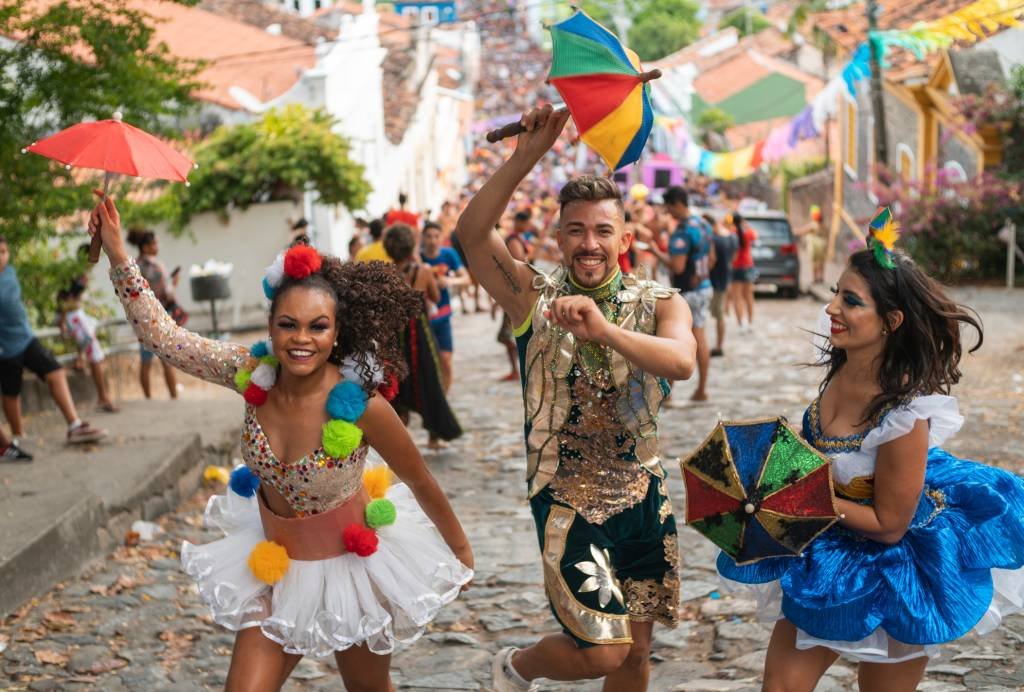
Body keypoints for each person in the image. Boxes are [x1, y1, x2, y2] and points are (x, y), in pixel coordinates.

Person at [89, 193, 473, 691]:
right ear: (270, 326)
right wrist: (121, 257)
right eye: (288, 324)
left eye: (318, 327)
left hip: (349, 567)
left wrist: (461, 556)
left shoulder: (362, 405)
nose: (301, 339)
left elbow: (420, 478)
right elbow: (165, 338)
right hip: (275, 561)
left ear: (336, 334)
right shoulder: (249, 372)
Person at [717, 214, 1024, 692]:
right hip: (827, 548)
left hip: (898, 568)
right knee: (780, 686)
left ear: (891, 321)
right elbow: (822, 452)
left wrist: (807, 500)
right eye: (837, 292)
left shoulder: (904, 415)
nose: (832, 307)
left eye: (850, 300)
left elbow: (889, 525)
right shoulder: (841, 367)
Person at [456, 105, 697, 692]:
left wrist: (604, 329)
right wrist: (527, 156)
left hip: (644, 495)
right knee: (602, 653)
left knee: (637, 655)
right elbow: (470, 235)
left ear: (626, 238)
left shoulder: (663, 301)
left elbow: (682, 363)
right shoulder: (531, 298)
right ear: (559, 237)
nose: (589, 244)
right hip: (566, 496)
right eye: (576, 230)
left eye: (602, 230)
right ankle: (516, 667)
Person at [0, 235, 106, 449]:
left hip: (27, 338)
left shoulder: (10, 273)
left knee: (56, 372)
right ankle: (19, 436)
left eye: (3, 252)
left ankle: (75, 425)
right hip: (6, 348)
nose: (1, 257)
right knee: (11, 392)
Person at [383, 224, 463, 449]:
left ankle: (399, 443)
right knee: (430, 382)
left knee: (397, 386)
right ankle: (434, 438)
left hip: (394, 335)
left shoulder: (386, 273)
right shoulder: (423, 272)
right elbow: (436, 297)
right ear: (411, 246)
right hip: (420, 335)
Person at [664, 186, 715, 402]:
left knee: (675, 339)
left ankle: (668, 393)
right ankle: (701, 389)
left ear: (677, 203)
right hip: (705, 287)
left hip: (688, 293)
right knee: (701, 338)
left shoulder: (682, 232)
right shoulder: (703, 224)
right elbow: (712, 258)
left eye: (669, 207)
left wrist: (655, 251)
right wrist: (701, 275)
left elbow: (677, 267)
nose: (668, 213)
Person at [56, 250, 118, 413]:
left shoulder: (76, 274)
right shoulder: (76, 276)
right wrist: (62, 321)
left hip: (76, 316)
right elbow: (66, 299)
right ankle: (103, 397)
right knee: (96, 357)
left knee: (95, 356)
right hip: (74, 317)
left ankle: (80, 361)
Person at [127, 229, 186, 400]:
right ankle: (174, 397)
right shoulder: (154, 266)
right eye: (154, 243)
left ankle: (148, 399)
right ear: (145, 247)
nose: (157, 246)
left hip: (142, 318)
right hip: (158, 316)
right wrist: (174, 284)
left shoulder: (135, 265)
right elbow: (165, 294)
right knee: (166, 360)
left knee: (145, 362)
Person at [419, 221, 468, 393]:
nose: (432, 240)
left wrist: (449, 280)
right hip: (423, 319)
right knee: (429, 364)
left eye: (436, 236)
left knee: (446, 360)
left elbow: (466, 279)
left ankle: (444, 400)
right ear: (422, 238)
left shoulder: (449, 254)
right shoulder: (418, 258)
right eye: (428, 236)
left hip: (444, 315)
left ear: (441, 238)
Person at [707, 213, 738, 357]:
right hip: (725, 278)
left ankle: (719, 347)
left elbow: (711, 260)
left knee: (718, 315)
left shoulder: (713, 239)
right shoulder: (732, 237)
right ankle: (719, 344)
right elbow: (734, 257)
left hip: (715, 280)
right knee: (719, 313)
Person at [727, 211, 757, 332]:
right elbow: (756, 235)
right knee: (749, 296)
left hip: (736, 267)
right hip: (748, 266)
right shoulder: (748, 233)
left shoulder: (732, 234)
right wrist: (746, 225)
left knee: (737, 297)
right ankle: (750, 323)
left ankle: (741, 324)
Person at [796, 204, 827, 284]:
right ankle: (821, 278)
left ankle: (815, 278)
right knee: (821, 263)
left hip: (814, 247)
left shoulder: (813, 225)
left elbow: (802, 231)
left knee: (814, 263)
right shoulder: (823, 226)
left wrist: (794, 231)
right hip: (822, 246)